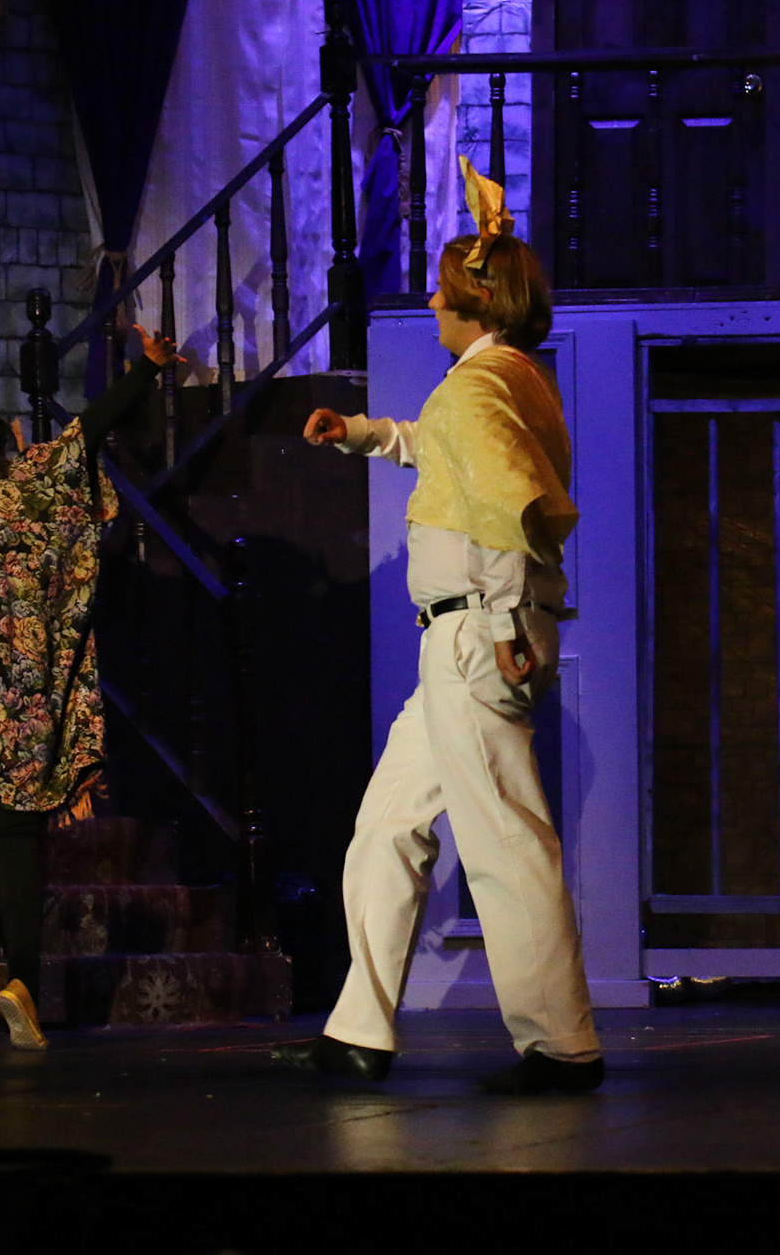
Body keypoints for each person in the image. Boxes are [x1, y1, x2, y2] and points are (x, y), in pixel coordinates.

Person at [275, 159, 602, 1094]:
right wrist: (366, 434)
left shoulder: (480, 386)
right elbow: (450, 451)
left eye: (441, 288)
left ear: (472, 301)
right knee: (386, 827)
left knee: (506, 841)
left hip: (474, 633)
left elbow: (509, 497)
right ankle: (359, 1029)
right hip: (462, 640)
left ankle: (562, 1044)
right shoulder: (506, 380)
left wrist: (502, 617)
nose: (429, 300)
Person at [0, 324, 179, 1049]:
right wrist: (147, 368)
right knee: (16, 843)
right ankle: (21, 986)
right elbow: (89, 429)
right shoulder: (32, 488)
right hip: (17, 709)